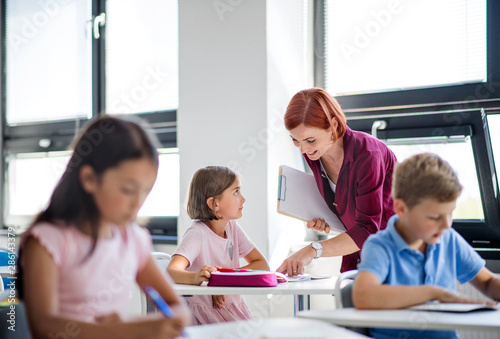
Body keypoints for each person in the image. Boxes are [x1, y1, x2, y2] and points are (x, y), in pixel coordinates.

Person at [17, 116, 190, 339]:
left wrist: (164, 320)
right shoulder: (48, 241)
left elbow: (177, 307)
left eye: (146, 191)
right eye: (128, 189)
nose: (138, 202)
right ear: (89, 178)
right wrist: (123, 330)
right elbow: (44, 326)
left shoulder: (134, 239)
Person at [353, 153, 500, 339]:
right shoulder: (380, 246)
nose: (447, 224)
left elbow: (487, 282)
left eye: (450, 213)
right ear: (401, 209)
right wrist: (434, 293)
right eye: (434, 217)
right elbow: (364, 296)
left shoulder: (448, 239)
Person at [277, 88, 397, 276]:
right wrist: (327, 219)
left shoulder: (367, 155)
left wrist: (313, 249)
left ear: (333, 124)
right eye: (296, 140)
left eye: (310, 140)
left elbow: (367, 230)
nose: (303, 150)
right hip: (355, 258)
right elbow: (350, 210)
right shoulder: (315, 153)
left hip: (393, 257)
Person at [167, 166, 269, 325]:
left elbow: (262, 265)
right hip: (206, 316)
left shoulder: (232, 227)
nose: (243, 198)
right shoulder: (197, 233)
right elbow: (171, 272)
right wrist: (198, 278)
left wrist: (223, 280)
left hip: (232, 310)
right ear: (214, 204)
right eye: (236, 192)